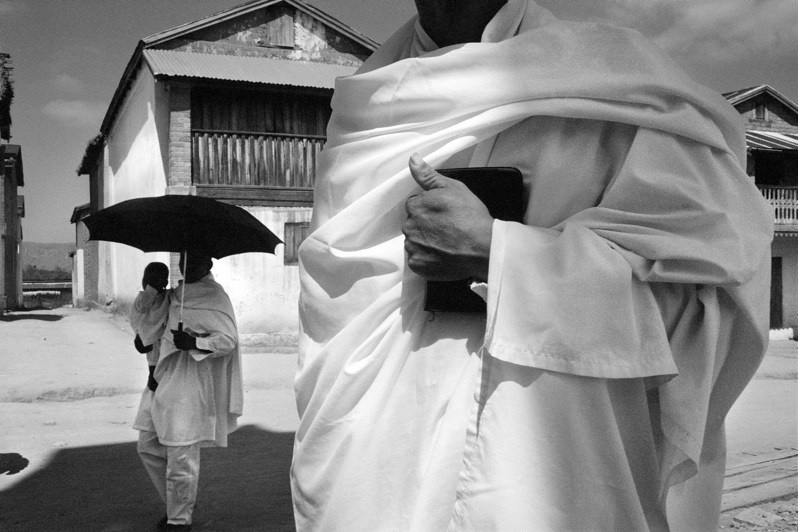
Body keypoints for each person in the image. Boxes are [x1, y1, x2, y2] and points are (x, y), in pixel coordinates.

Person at [292, 0, 773, 530]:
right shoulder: (370, 104)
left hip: (557, 471)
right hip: (375, 462)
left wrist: (499, 254)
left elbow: (712, 306)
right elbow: (333, 309)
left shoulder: (617, 85)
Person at [133, 252, 243, 532]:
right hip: (160, 378)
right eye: (183, 260)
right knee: (148, 445)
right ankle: (179, 505)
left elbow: (227, 340)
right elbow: (145, 327)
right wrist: (151, 289)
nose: (187, 266)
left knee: (181, 454)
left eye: (194, 261)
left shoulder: (215, 297)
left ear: (207, 264)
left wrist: (194, 341)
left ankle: (179, 520)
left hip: (190, 381)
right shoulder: (174, 296)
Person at [130, 261, 170, 392]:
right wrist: (151, 291)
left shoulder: (168, 297)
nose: (151, 283)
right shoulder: (143, 298)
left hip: (166, 343)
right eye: (148, 280)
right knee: (154, 373)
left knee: (165, 378)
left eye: (156, 279)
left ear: (165, 282)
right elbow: (140, 313)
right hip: (151, 342)